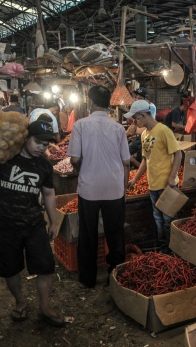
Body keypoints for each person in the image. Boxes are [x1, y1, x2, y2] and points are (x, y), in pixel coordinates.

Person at [0, 121, 65, 327]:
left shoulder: (44, 165)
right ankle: (20, 302)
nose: (41, 148)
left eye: (45, 145)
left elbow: (48, 192)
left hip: (34, 223)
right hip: (5, 224)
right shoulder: (4, 157)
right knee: (10, 269)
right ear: (25, 138)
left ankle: (45, 307)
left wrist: (53, 222)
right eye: (37, 142)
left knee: (45, 266)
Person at [67, 86, 130, 288]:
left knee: (88, 235)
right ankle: (116, 275)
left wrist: (80, 170)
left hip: (89, 189)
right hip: (114, 189)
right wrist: (124, 189)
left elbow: (74, 158)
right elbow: (126, 162)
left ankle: (88, 279)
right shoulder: (118, 127)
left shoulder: (81, 126)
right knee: (115, 234)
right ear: (107, 103)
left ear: (90, 102)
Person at [125, 100, 182, 253]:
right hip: (153, 186)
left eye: (135, 118)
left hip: (167, 186)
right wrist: (135, 179)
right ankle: (164, 250)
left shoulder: (163, 130)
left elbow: (178, 154)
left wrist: (171, 177)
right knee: (159, 220)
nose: (134, 122)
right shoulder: (144, 135)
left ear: (142, 115)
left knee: (169, 220)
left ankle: (174, 251)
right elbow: (145, 159)